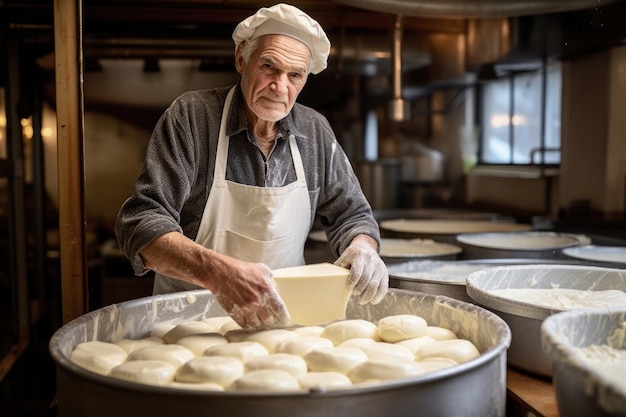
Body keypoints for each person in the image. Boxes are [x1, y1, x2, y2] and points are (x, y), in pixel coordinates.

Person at [115, 3, 388, 329]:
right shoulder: (193, 118)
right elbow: (140, 224)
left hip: (284, 321)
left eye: (295, 75)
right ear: (241, 59)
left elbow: (352, 214)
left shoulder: (314, 131)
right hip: (188, 324)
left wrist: (363, 248)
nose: (280, 86)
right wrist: (218, 274)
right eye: (269, 67)